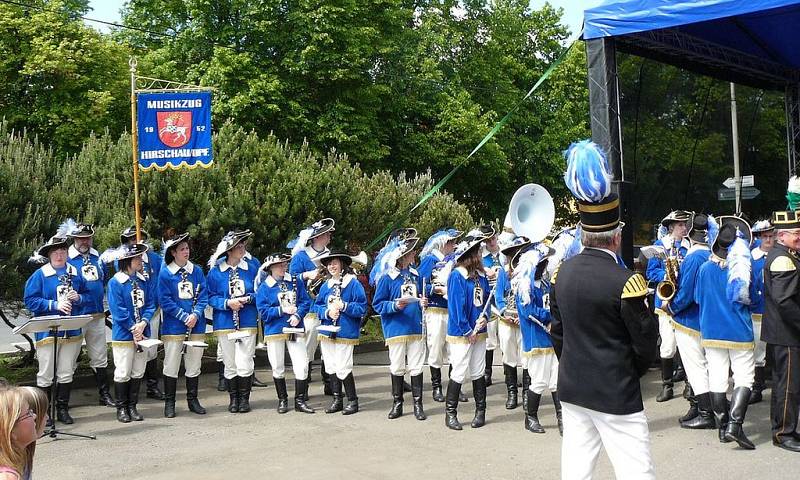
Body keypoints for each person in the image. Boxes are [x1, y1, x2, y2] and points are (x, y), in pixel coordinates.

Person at [550, 140, 657, 479]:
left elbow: (558, 334)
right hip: (615, 392)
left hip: (573, 387)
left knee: (577, 472)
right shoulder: (627, 282)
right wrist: (624, 373)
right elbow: (645, 346)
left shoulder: (560, 273)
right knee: (636, 472)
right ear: (615, 236)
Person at [694, 216, 756, 450]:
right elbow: (752, 298)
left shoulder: (703, 268)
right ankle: (734, 426)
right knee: (744, 376)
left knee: (717, 377)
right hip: (738, 330)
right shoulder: (742, 268)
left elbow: (699, 299)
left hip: (711, 330)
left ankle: (723, 426)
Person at [23, 233, 87, 425]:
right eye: (55, 252)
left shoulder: (75, 273)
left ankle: (62, 409)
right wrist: (53, 305)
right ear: (49, 255)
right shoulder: (40, 275)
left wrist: (79, 298)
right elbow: (30, 300)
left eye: (63, 251)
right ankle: (44, 413)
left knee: (67, 371)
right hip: (48, 332)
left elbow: (88, 295)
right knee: (46, 373)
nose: (59, 255)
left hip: (72, 332)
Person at [664, 213, 715, 429]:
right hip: (705, 318)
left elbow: (685, 293)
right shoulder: (711, 254)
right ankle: (698, 407)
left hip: (689, 320)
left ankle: (706, 414)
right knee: (705, 366)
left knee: (695, 367)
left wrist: (671, 307)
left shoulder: (694, 257)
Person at [371, 236, 428, 421]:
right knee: (397, 366)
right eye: (411, 252)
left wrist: (422, 301)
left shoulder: (415, 275)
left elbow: (419, 296)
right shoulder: (387, 278)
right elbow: (377, 304)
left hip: (415, 326)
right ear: (402, 256)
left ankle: (418, 404)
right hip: (396, 328)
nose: (414, 254)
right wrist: (395, 306)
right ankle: (398, 403)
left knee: (417, 366)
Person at [511, 242, 563, 435]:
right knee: (539, 381)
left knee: (557, 380)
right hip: (536, 339)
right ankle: (530, 417)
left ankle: (561, 418)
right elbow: (527, 311)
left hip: (551, 338)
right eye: (542, 262)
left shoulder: (546, 284)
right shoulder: (524, 287)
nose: (546, 264)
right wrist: (548, 317)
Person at [442, 230, 491, 430]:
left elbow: (488, 300)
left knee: (478, 371)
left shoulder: (481, 276)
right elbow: (456, 307)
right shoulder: (457, 276)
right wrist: (467, 331)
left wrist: (485, 317)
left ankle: (481, 412)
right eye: (478, 252)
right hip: (462, 334)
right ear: (471, 255)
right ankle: (450, 414)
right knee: (459, 370)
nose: (481, 255)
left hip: (478, 332)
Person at [63, 220, 114, 408]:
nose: (85, 241)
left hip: (97, 314)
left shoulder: (97, 256)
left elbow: (104, 279)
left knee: (100, 355)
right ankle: (63, 401)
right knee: (70, 357)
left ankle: (104, 394)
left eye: (88, 238)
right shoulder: (66, 257)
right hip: (75, 316)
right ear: (74, 238)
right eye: (81, 238)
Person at [255, 252, 315, 414]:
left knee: (302, 364)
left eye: (285, 264)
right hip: (275, 330)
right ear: (271, 268)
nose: (283, 267)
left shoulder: (294, 281)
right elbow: (264, 312)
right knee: (277, 366)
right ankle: (282, 400)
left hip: (295, 328)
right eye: (280, 265)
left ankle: (300, 400)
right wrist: (282, 310)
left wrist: (297, 315)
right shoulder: (264, 288)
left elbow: (305, 301)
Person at [207, 230, 259, 414]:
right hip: (225, 322)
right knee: (230, 362)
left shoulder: (253, 268)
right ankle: (233, 398)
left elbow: (259, 292)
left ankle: (244, 399)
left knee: (245, 360)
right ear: (228, 250)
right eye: (238, 246)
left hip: (247, 320)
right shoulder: (215, 272)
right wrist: (227, 303)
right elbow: (210, 297)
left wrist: (247, 299)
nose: (242, 248)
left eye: (243, 245)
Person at [158, 232, 209, 418]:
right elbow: (164, 299)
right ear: (173, 252)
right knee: (171, 363)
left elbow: (203, 295)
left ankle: (192, 400)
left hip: (196, 324)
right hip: (174, 327)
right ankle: (169, 402)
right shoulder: (165, 273)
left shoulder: (196, 270)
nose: (186, 252)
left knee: (194, 363)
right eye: (182, 249)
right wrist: (182, 316)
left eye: (187, 248)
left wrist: (195, 314)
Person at [105, 242, 156, 423]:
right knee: (123, 371)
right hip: (124, 335)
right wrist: (133, 328)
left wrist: (143, 322)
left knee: (137, 371)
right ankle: (122, 408)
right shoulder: (115, 283)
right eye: (137, 258)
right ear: (127, 261)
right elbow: (117, 310)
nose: (141, 260)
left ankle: (133, 406)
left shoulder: (142, 280)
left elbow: (150, 304)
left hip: (142, 333)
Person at [762, 209, 800, 452]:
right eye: (797, 233)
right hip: (787, 333)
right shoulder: (783, 258)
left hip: (783, 332)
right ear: (782, 235)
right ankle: (784, 432)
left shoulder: (787, 254)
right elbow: (785, 301)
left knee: (783, 385)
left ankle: (783, 427)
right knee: (789, 386)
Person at [313, 252, 367, 415]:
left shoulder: (353, 284)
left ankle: (352, 401)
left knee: (343, 366)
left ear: (342, 264)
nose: (331, 266)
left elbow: (362, 308)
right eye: (329, 264)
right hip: (327, 331)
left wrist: (344, 306)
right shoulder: (325, 285)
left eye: (334, 263)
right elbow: (316, 307)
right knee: (330, 366)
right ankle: (337, 400)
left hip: (345, 332)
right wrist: (327, 312)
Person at [646, 210, 691, 402]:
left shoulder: (689, 247)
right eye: (680, 225)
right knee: (668, 345)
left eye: (684, 224)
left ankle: (690, 386)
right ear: (671, 227)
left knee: (688, 346)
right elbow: (651, 272)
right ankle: (667, 386)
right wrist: (668, 276)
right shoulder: (659, 246)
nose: (684, 228)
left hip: (684, 302)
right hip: (665, 302)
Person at [289, 218, 335, 394]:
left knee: (329, 345)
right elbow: (291, 280)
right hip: (309, 308)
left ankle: (330, 385)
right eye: (326, 234)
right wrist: (308, 275)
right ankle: (304, 387)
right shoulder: (301, 256)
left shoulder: (330, 254)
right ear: (317, 237)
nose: (329, 236)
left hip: (328, 308)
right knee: (308, 346)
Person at [120, 226, 165, 401]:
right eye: (132, 240)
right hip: (133, 314)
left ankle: (152, 386)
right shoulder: (124, 261)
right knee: (132, 352)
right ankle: (129, 394)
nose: (137, 241)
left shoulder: (155, 259)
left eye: (139, 238)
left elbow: (161, 280)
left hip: (151, 311)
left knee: (151, 349)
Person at [418, 228, 462, 402]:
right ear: (444, 243)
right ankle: (437, 387)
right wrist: (434, 289)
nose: (454, 245)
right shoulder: (430, 260)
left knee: (454, 349)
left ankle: (454, 385)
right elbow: (419, 283)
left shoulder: (456, 260)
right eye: (452, 242)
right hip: (435, 309)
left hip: (451, 309)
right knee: (435, 347)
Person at [493, 231, 527, 411]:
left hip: (522, 322)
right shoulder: (502, 273)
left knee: (526, 357)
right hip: (507, 320)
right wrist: (504, 311)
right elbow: (499, 296)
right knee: (509, 356)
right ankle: (512, 392)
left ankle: (527, 394)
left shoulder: (529, 273)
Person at [748, 219, 774, 403]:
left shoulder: (780, 256)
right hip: (757, 310)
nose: (768, 240)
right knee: (758, 349)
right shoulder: (751, 259)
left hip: (776, 311)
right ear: (759, 238)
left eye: (771, 236)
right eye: (765, 236)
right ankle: (757, 386)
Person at [0, 388, 38, 480]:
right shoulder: (7, 477)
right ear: (10, 429)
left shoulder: (20, 455)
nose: (35, 416)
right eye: (28, 412)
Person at [481, 227, 502, 387]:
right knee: (490, 340)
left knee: (507, 339)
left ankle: (510, 373)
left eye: (492, 238)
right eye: (487, 240)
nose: (491, 242)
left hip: (504, 302)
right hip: (489, 302)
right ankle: (487, 372)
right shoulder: (482, 258)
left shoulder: (506, 254)